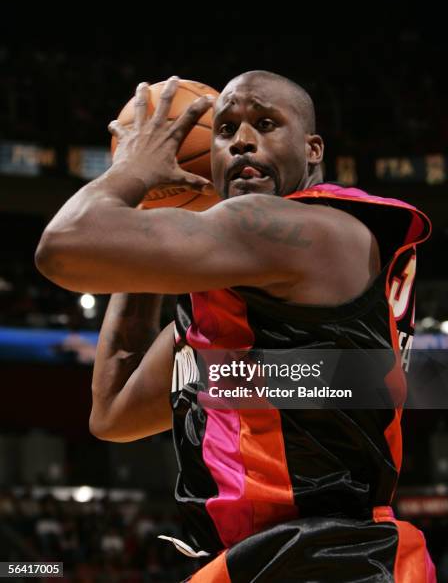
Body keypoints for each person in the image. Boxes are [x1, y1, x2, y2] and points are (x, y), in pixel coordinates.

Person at [35, 71, 436, 582]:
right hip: (276, 558)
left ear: (313, 150)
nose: (242, 140)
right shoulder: (247, 301)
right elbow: (114, 413)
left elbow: (63, 247)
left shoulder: (307, 232)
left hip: (326, 558)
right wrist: (156, 229)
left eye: (266, 123)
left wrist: (133, 172)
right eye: (224, 130)